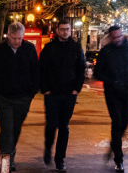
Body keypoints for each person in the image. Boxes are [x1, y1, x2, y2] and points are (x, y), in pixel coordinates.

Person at [0, 22, 40, 171]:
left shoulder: (29, 49)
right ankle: (7, 158)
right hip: (3, 97)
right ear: (8, 36)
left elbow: (36, 73)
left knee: (16, 128)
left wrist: (31, 93)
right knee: (7, 128)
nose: (17, 41)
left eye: (20, 38)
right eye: (14, 38)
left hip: (23, 97)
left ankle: (9, 152)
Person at [93, 26, 128, 173]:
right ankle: (119, 159)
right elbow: (97, 73)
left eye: (119, 36)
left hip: (127, 90)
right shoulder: (106, 52)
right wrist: (112, 81)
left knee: (126, 122)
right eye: (114, 38)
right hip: (112, 92)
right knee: (117, 122)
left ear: (122, 35)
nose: (117, 40)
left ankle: (114, 144)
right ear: (110, 38)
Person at [40, 20, 86, 172]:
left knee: (64, 127)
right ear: (57, 30)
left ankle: (60, 159)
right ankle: (48, 149)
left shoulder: (76, 48)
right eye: (62, 29)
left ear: (70, 30)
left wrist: (76, 89)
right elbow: (42, 70)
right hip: (52, 93)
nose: (65, 32)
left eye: (67, 29)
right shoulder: (49, 48)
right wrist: (45, 89)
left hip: (69, 93)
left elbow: (81, 69)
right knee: (52, 124)